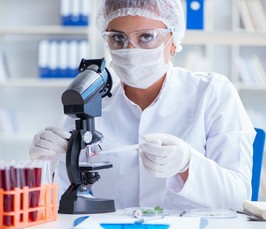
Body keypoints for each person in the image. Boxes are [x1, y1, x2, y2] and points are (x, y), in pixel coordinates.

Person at [29, 0, 256, 210]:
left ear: (174, 41)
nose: (131, 48)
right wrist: (46, 164)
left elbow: (237, 198)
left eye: (146, 36)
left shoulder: (211, 93)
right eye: (118, 38)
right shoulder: (89, 104)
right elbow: (54, 203)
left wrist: (187, 165)